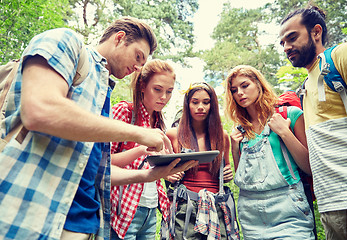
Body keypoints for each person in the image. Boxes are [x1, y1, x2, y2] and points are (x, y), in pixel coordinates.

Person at [0, 17, 190, 240]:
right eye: (138, 56)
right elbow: (40, 109)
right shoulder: (65, 40)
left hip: (85, 223)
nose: (139, 67)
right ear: (119, 39)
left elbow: (99, 172)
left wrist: (147, 175)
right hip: (32, 212)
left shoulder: (104, 93)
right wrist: (139, 134)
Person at [279, 5, 347, 239]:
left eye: (292, 37)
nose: (286, 47)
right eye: (282, 43)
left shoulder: (342, 55)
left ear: (316, 32)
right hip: (330, 203)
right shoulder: (305, 87)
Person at [224, 65, 314, 239]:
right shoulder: (240, 131)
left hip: (288, 208)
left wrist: (284, 132)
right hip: (251, 214)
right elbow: (244, 178)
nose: (240, 93)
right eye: (234, 90)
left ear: (259, 84)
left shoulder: (290, 115)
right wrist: (235, 149)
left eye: (245, 85)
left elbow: (309, 166)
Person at [110, 59, 189, 240]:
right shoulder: (125, 111)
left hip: (151, 208)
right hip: (124, 209)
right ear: (143, 86)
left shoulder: (159, 123)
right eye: (158, 89)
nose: (164, 97)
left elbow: (148, 169)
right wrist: (142, 150)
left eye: (169, 92)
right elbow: (103, 161)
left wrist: (167, 172)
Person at [165, 82, 240, 240]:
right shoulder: (173, 134)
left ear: (212, 105)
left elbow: (226, 170)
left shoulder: (222, 136)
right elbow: (161, 171)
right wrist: (168, 175)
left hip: (217, 205)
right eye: (195, 102)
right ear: (187, 104)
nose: (201, 107)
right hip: (185, 206)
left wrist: (227, 173)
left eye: (206, 102)